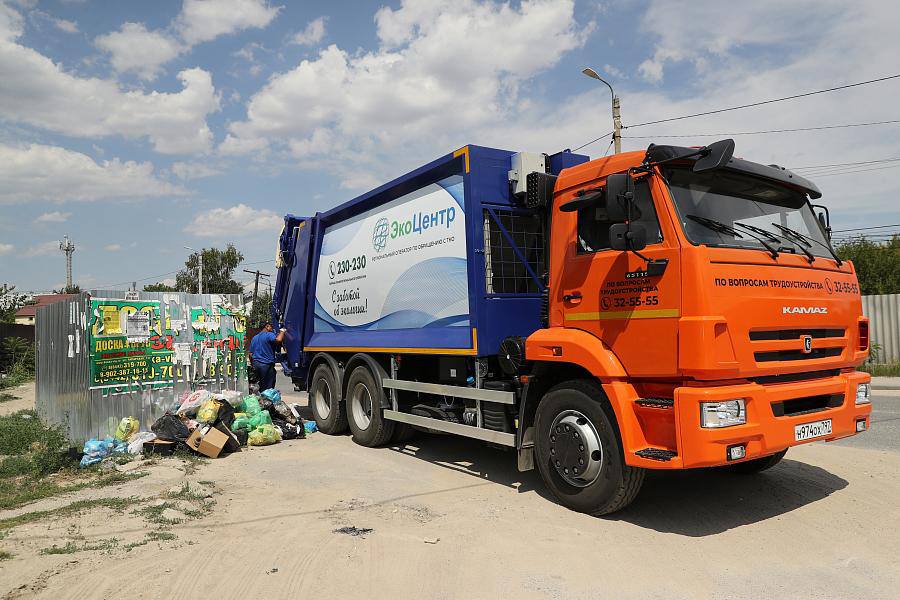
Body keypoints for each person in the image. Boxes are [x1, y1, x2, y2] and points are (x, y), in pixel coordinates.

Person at [249, 323, 286, 392]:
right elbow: (278, 340)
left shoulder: (254, 338)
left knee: (258, 386)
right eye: (271, 327)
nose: (272, 329)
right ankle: (266, 401)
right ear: (267, 326)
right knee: (268, 387)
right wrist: (282, 331)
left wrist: (253, 364)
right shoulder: (269, 334)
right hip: (266, 364)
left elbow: (250, 354)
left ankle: (259, 400)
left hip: (255, 364)